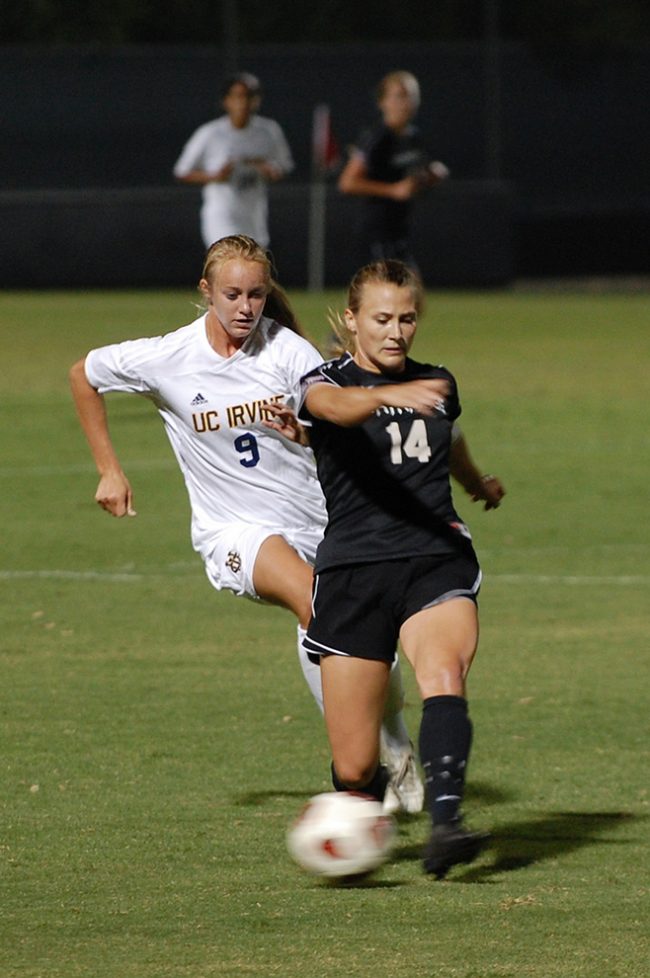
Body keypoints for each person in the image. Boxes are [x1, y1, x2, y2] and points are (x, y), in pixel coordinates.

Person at [68, 234, 423, 815]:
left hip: (317, 523)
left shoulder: (290, 354)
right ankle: (357, 779)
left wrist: (304, 433)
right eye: (232, 294)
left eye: (256, 294)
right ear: (206, 291)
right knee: (317, 604)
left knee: (363, 635)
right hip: (232, 533)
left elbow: (342, 432)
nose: (245, 307)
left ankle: (394, 739)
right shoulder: (169, 356)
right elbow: (84, 374)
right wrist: (109, 469)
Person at [298, 259, 505, 878]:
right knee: (356, 765)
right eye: (382, 318)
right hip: (353, 573)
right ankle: (360, 825)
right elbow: (336, 409)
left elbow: (448, 438)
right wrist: (388, 395)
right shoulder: (320, 382)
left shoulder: (436, 382)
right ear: (352, 319)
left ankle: (447, 827)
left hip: (432, 557)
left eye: (407, 319)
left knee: (443, 671)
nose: (396, 331)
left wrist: (475, 482)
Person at [337, 70, 449, 269]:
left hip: (399, 232)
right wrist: (393, 190)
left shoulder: (413, 137)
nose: (407, 103)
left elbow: (413, 177)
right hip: (376, 235)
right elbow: (347, 183)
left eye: (412, 96)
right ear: (383, 102)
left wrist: (431, 175)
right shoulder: (377, 137)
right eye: (400, 96)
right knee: (400, 288)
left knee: (412, 288)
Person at [173, 73, 293, 250]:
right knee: (229, 257)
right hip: (221, 214)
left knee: (253, 263)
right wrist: (216, 176)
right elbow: (182, 171)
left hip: (254, 216)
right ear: (226, 101)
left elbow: (285, 166)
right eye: (237, 96)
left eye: (249, 96)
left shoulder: (268, 131)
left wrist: (270, 170)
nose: (243, 102)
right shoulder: (211, 133)